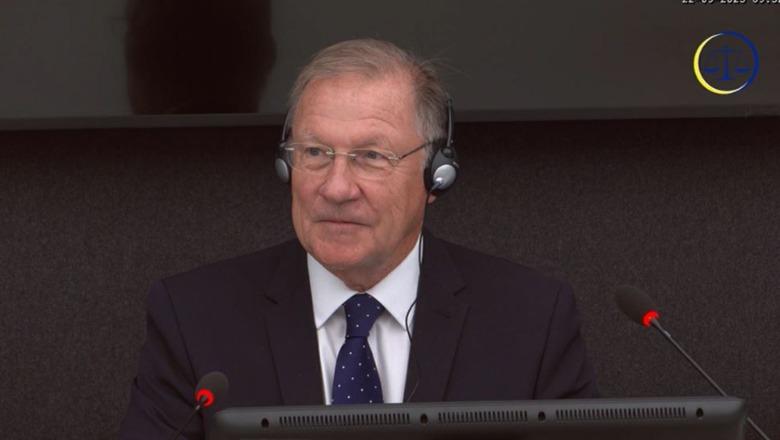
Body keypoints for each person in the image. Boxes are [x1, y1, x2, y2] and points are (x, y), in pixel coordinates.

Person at [119, 39, 597, 439]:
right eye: (315, 152)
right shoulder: (194, 317)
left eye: (370, 156)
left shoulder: (531, 319)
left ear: (435, 175)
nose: (336, 188)